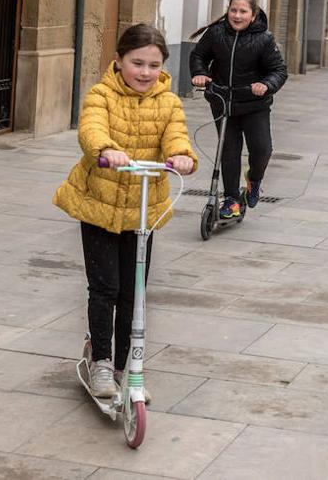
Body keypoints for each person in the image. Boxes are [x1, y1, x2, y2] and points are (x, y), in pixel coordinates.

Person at [52, 23, 196, 399]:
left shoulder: (169, 102)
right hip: (98, 205)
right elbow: (91, 128)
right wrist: (105, 149)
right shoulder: (101, 94)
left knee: (134, 292)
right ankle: (101, 361)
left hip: (142, 210)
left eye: (153, 65)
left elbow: (175, 134)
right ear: (118, 61)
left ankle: (126, 366)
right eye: (137, 63)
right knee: (105, 288)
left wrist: (180, 155)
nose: (145, 72)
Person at [189, 0, 287, 220]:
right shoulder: (216, 33)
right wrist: (200, 74)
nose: (237, 15)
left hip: (254, 104)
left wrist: (265, 84)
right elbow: (198, 56)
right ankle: (232, 199)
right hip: (223, 100)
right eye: (233, 10)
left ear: (253, 15)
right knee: (229, 150)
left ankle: (254, 180)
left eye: (243, 11)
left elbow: (279, 70)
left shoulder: (264, 39)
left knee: (262, 149)